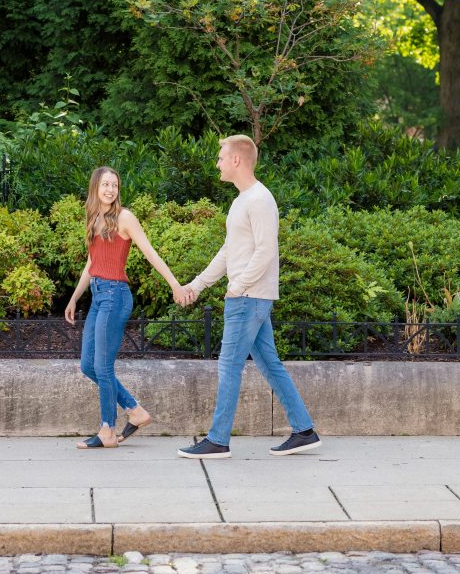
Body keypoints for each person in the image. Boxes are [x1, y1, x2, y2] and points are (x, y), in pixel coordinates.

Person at [176, 135, 321, 459]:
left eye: (221, 157)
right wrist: (197, 285)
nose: (218, 163)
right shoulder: (242, 200)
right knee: (269, 363)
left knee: (228, 365)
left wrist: (238, 286)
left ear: (237, 160)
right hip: (248, 296)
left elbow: (266, 250)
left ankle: (217, 440)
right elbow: (230, 251)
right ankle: (304, 430)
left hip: (248, 298)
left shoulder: (260, 199)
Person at [65, 166, 191, 449]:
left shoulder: (125, 217)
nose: (110, 190)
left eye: (115, 185)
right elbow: (91, 263)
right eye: (105, 185)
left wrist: (175, 284)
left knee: (103, 367)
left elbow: (150, 252)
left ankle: (107, 430)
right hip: (98, 295)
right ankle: (135, 411)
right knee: (88, 365)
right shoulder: (95, 217)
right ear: (95, 187)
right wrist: (74, 297)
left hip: (116, 296)